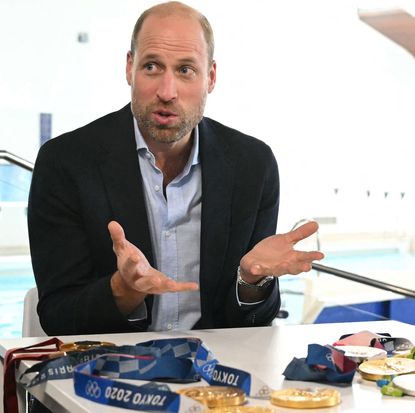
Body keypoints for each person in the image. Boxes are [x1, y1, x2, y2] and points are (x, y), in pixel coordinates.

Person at [28, 1, 324, 337]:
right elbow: (57, 315)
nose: (167, 92)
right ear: (129, 68)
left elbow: (252, 324)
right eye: (152, 66)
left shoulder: (252, 166)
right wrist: (124, 289)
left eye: (185, 70)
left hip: (217, 377)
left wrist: (251, 279)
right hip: (104, 373)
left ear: (210, 77)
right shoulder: (65, 163)